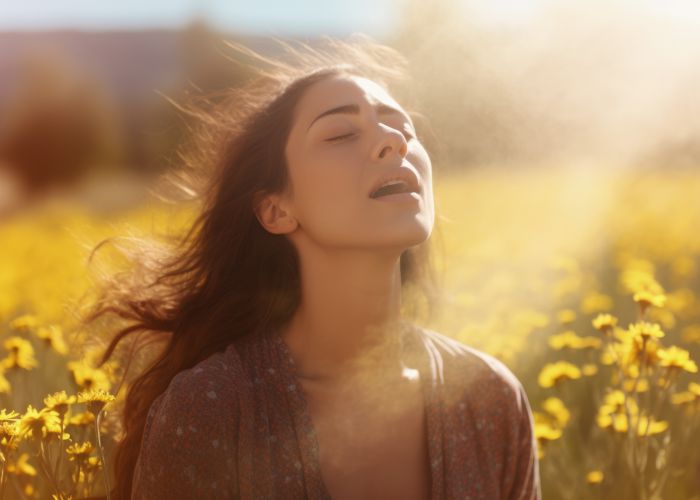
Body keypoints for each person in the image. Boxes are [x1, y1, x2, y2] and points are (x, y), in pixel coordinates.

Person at [82, 34, 541, 499]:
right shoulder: (212, 409)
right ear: (276, 210)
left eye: (404, 128)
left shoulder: (492, 399)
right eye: (341, 133)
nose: (393, 142)